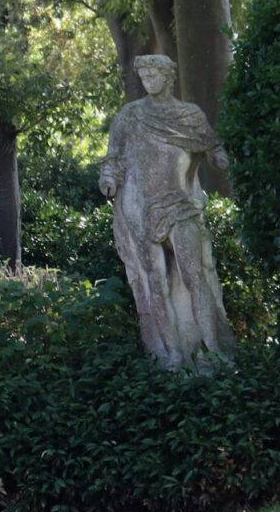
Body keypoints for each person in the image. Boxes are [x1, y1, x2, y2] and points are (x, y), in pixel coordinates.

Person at [99, 54, 236, 369]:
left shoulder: (189, 115)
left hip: (180, 205)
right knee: (154, 281)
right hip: (141, 210)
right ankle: (171, 353)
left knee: (195, 276)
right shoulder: (130, 117)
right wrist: (108, 178)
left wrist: (220, 157)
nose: (148, 81)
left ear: (168, 76)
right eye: (143, 76)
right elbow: (114, 158)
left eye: (153, 74)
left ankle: (212, 348)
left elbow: (212, 145)